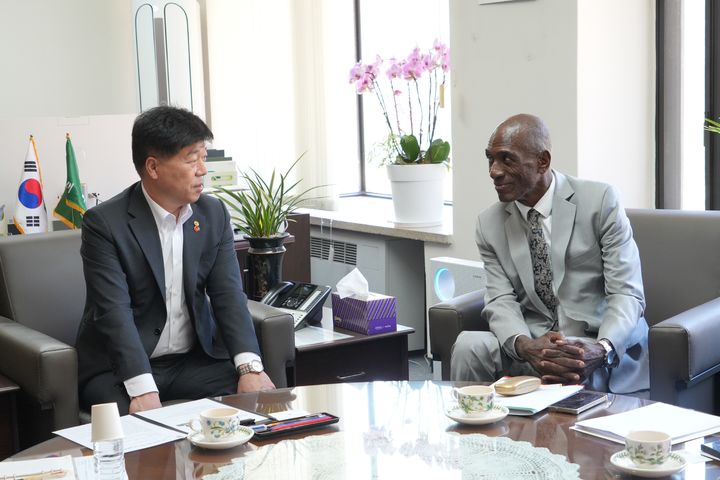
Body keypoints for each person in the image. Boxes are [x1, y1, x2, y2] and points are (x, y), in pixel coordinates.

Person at [76, 106, 275, 414]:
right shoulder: (105, 224)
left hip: (192, 362)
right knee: (135, 425)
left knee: (257, 398)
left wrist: (250, 368)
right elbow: (113, 311)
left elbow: (228, 295)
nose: (202, 170)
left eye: (203, 157)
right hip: (119, 369)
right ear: (153, 167)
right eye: (191, 159)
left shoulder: (213, 214)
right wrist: (142, 387)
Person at [451, 114, 648, 393]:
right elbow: (500, 299)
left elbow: (626, 293)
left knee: (571, 365)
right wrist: (524, 345)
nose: (494, 171)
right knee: (469, 346)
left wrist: (602, 348)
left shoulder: (600, 201)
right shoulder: (489, 224)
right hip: (533, 346)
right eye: (490, 159)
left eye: (507, 159)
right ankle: (475, 421)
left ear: (542, 161)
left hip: (595, 344)